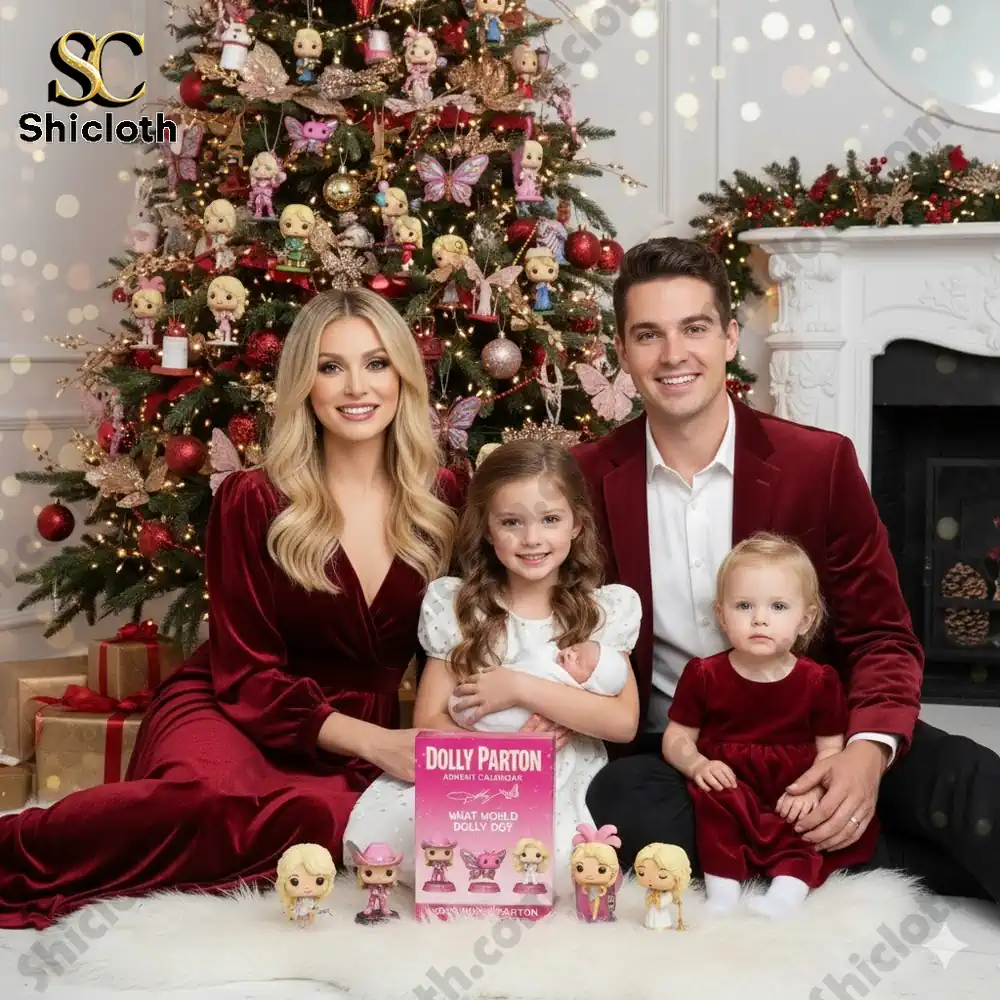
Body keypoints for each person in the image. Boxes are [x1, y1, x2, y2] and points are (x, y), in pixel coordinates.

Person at [0, 288, 461, 930]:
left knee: (314, 827)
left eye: (376, 363)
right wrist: (378, 744)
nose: (357, 386)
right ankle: (11, 850)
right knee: (202, 802)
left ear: (404, 376)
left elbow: (461, 640)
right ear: (304, 383)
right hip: (236, 703)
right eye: (331, 366)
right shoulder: (253, 496)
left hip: (360, 735)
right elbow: (247, 674)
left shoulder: (444, 499)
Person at [576, 236, 1000, 904]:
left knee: (967, 777)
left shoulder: (818, 463)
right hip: (690, 757)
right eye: (648, 335)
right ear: (623, 353)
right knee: (620, 803)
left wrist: (863, 756)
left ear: (730, 338)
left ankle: (827, 833)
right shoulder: (585, 479)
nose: (674, 354)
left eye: (694, 328)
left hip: (817, 731)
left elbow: (884, 636)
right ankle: (860, 847)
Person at [341, 440, 642, 885]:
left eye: (551, 520)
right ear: (485, 528)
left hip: (563, 776)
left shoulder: (602, 611)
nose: (532, 538)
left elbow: (622, 723)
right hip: (474, 771)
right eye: (511, 523)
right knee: (430, 843)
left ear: (577, 523)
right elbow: (429, 720)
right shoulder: (457, 605)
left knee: (541, 858)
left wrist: (519, 688)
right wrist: (506, 753)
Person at [664, 532, 878, 919]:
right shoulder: (704, 674)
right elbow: (677, 737)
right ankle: (722, 894)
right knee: (716, 813)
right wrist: (698, 766)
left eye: (778, 606)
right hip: (729, 780)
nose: (759, 618)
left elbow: (831, 748)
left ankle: (785, 895)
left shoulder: (819, 681)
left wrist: (812, 787)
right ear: (721, 615)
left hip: (790, 783)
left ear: (805, 618)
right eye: (744, 605)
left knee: (802, 828)